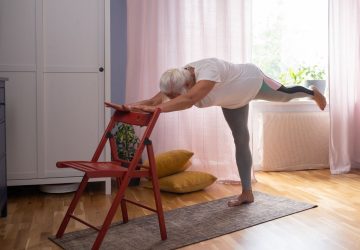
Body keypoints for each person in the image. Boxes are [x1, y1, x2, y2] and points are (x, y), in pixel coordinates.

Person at [106, 57, 327, 207]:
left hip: (251, 82)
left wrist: (155, 108)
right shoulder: (176, 79)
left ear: (188, 83)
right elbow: (154, 101)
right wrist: (129, 106)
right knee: (241, 139)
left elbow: (189, 99)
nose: (172, 99)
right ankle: (247, 193)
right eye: (171, 96)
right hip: (232, 101)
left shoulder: (207, 72)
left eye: (175, 96)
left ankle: (312, 93)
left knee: (286, 95)